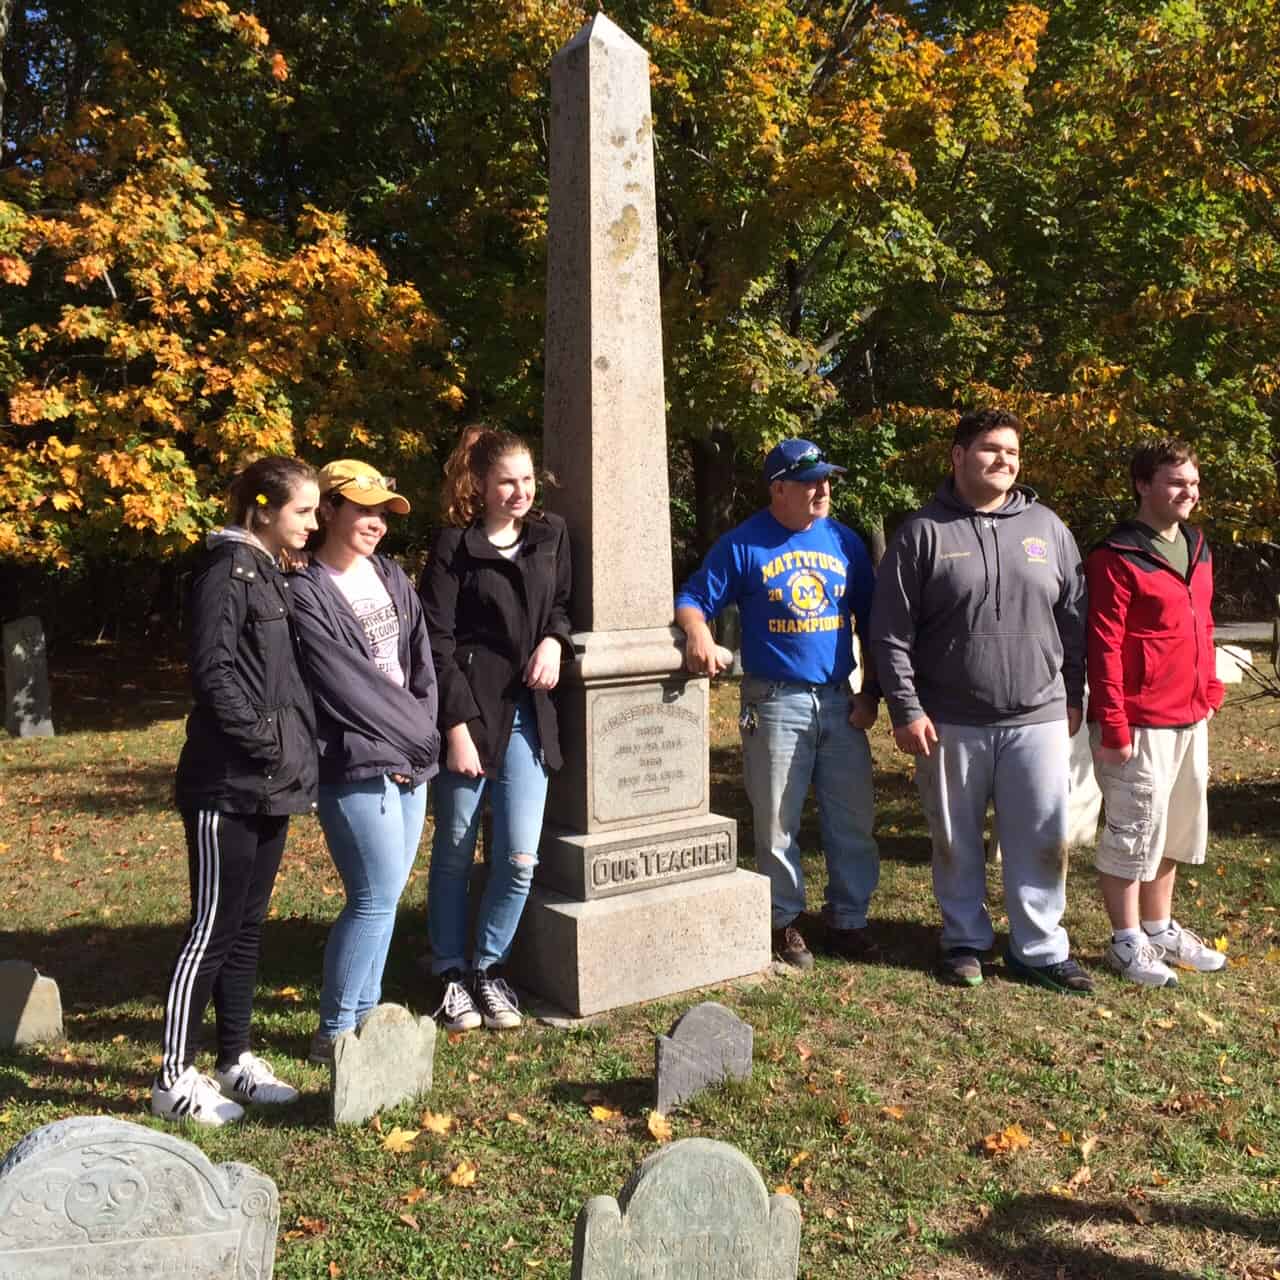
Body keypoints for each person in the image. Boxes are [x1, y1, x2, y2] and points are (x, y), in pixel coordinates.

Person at [870, 408, 1093, 993]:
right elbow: (891, 632)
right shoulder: (922, 533)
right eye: (992, 449)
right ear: (958, 456)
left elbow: (1074, 620)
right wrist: (906, 708)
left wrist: (1073, 693)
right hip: (950, 720)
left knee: (1043, 835)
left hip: (1038, 714)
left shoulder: (1049, 528)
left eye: (1013, 453)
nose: (1004, 461)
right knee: (955, 839)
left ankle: (1038, 947)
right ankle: (964, 940)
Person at [153, 456, 319, 1126]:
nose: (314, 521)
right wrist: (265, 742)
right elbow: (213, 671)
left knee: (247, 927)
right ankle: (172, 1079)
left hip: (269, 783)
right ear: (261, 508)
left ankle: (234, 1060)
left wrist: (286, 754)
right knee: (211, 930)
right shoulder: (227, 568)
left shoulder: (270, 572)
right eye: (303, 510)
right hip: (227, 783)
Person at [674, 438, 879, 971]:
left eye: (827, 479)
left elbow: (875, 620)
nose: (823, 489)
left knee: (852, 817)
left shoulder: (844, 540)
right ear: (779, 488)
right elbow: (694, 597)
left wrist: (872, 694)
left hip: (839, 699)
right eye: (811, 481)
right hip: (774, 701)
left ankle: (849, 919)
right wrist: (697, 633)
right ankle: (784, 920)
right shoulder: (744, 544)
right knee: (777, 821)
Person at [419, 427, 572, 1031]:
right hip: (471, 714)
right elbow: (435, 640)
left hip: (530, 718)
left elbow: (561, 605)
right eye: (507, 481)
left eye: (527, 480)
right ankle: (450, 972)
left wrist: (556, 644)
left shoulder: (550, 535)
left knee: (518, 857)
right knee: (455, 851)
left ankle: (489, 967)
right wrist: (455, 725)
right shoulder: (454, 546)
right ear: (479, 484)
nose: (519, 492)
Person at [289, 460, 440, 1063]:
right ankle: (334, 1033)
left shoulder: (388, 574)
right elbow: (343, 685)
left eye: (382, 512)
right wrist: (414, 741)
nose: (376, 523)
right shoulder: (306, 591)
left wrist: (421, 732)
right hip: (357, 763)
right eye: (363, 509)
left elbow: (419, 660)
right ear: (328, 510)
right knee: (372, 898)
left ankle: (366, 1023)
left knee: (389, 897)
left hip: (410, 757)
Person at [1086, 439, 1226, 987]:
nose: (1188, 492)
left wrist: (1210, 686)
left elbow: (1204, 621)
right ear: (1143, 485)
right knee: (1133, 830)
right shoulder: (1115, 556)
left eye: (1192, 482)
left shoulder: (1197, 547)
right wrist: (1114, 723)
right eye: (1175, 482)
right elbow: (1103, 646)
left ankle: (1159, 927)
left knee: (1172, 828)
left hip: (1190, 716)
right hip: (1139, 723)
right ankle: (1125, 941)